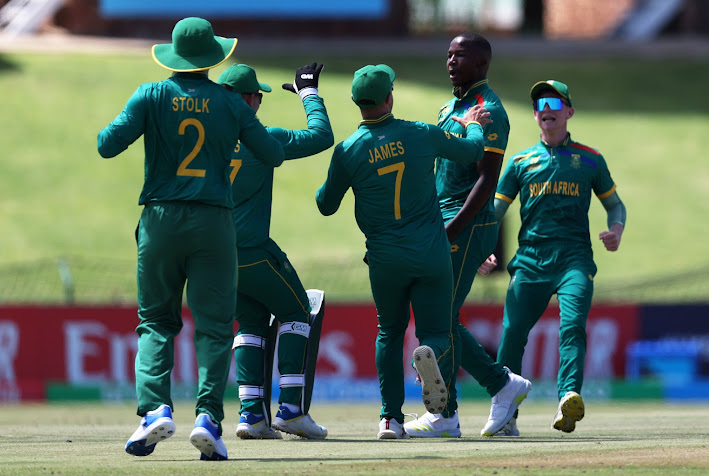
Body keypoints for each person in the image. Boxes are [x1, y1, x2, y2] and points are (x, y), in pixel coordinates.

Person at [97, 17, 284, 460]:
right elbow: (272, 153)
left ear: (175, 56)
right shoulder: (231, 103)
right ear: (211, 58)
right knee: (216, 327)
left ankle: (154, 410)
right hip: (215, 223)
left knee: (156, 322)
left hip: (160, 219)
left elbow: (107, 144)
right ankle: (208, 418)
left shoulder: (151, 94)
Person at [315, 64, 491, 440]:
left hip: (385, 259)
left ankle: (389, 420)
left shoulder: (348, 151)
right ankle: (430, 357)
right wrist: (473, 121)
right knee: (437, 331)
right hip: (430, 253)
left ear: (355, 102)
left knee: (389, 333)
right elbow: (473, 150)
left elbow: (325, 205)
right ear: (390, 96)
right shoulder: (420, 134)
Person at [478, 80, 626, 435]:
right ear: (534, 115)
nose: (546, 109)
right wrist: (482, 248)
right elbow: (495, 212)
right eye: (540, 104)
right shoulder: (520, 161)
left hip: (574, 259)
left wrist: (616, 229)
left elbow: (615, 204)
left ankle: (568, 396)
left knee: (573, 326)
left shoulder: (590, 159)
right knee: (512, 333)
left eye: (555, 103)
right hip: (529, 260)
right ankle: (505, 414)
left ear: (569, 112)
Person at [404, 32, 531, 439]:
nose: (450, 62)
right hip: (441, 222)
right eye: (448, 54)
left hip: (466, 223)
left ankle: (446, 416)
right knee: (440, 317)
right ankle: (501, 385)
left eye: (460, 56)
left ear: (482, 64)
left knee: (437, 319)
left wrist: (454, 229)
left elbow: (487, 181)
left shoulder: (489, 110)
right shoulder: (450, 107)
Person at [216, 62, 333, 440]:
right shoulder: (264, 138)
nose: (260, 102)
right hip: (253, 250)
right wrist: (309, 93)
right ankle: (292, 410)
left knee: (249, 325)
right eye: (257, 95)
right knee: (297, 311)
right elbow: (321, 136)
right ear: (249, 100)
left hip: (215, 255)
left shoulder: (201, 143)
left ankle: (251, 415)